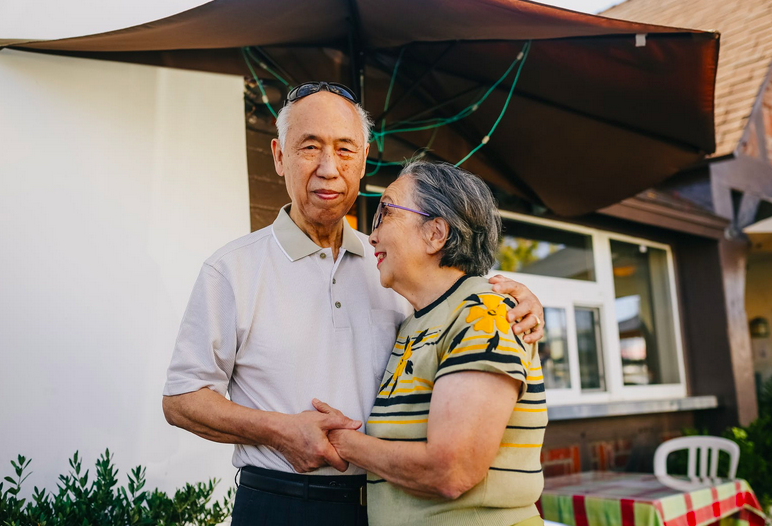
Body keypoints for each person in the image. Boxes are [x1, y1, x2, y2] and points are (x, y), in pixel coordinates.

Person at [161, 82, 545, 526]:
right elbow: (181, 399)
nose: (329, 168)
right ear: (279, 156)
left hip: (394, 501)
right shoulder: (231, 269)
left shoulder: (393, 264)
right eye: (309, 146)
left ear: (364, 159)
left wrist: (514, 299)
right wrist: (282, 431)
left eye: (345, 149)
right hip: (283, 503)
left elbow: (455, 319)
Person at [316, 161, 546, 526]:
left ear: (435, 233)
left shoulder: (483, 315)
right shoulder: (418, 322)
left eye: (385, 212)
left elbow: (450, 471)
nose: (372, 236)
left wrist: (342, 442)